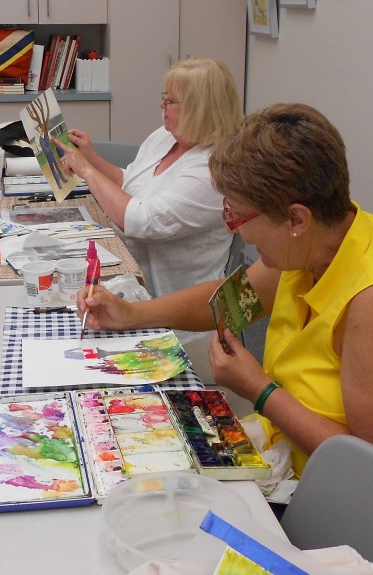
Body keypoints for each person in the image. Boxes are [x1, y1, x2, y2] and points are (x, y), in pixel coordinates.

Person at [76, 102, 373, 479]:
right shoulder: (309, 248)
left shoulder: (364, 301)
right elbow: (229, 303)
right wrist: (132, 313)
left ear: (297, 218)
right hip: (278, 454)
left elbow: (362, 465)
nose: (234, 230)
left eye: (239, 216)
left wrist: (259, 390)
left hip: (321, 497)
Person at [56, 57, 243, 297]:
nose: (161, 105)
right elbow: (131, 183)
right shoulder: (166, 137)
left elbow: (142, 221)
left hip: (173, 309)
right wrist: (92, 159)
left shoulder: (214, 170)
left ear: (198, 109)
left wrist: (87, 171)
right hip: (128, 277)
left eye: (170, 100)